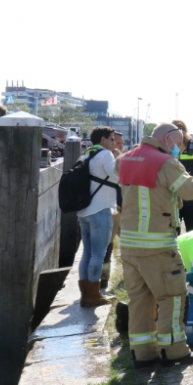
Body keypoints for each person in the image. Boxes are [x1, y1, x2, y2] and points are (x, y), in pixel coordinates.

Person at [117, 122, 193, 368]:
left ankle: (143, 354)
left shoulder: (125, 158)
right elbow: (190, 191)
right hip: (157, 243)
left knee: (140, 300)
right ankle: (174, 351)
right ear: (168, 139)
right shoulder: (167, 163)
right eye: (178, 144)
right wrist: (183, 169)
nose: (178, 149)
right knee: (172, 296)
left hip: (130, 245)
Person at [77, 126, 120, 306]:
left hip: (84, 212)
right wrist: (119, 159)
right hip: (100, 210)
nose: (114, 143)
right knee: (98, 254)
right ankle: (93, 295)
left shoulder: (86, 155)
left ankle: (86, 295)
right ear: (103, 140)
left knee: (87, 253)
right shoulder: (105, 155)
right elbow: (118, 177)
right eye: (112, 139)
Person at [100, 131, 125, 291]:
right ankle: (103, 279)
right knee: (107, 246)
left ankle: (132, 274)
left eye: (122, 144)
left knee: (130, 242)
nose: (121, 147)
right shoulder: (106, 159)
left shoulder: (120, 158)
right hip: (112, 208)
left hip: (123, 208)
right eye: (118, 143)